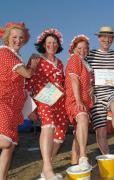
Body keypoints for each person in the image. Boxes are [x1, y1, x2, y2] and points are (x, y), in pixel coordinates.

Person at [25, 28, 69, 180]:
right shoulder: (36, 59)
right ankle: (49, 169)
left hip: (59, 100)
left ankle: (46, 169)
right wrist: (30, 108)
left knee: (60, 135)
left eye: (55, 43)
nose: (52, 45)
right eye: (49, 42)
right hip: (43, 99)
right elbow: (27, 83)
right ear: (43, 44)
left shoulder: (60, 62)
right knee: (48, 125)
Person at [0, 22, 38, 180]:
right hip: (3, 101)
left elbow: (23, 82)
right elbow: (27, 74)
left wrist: (30, 109)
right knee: (5, 142)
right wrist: (33, 65)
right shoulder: (5, 53)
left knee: (11, 146)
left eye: (21, 37)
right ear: (7, 38)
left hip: (15, 106)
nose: (18, 40)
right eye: (14, 37)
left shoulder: (16, 56)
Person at [87, 26, 114, 154]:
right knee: (101, 130)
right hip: (96, 95)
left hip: (113, 91)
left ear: (112, 39)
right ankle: (106, 157)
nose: (107, 40)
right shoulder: (90, 55)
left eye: (110, 38)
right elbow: (82, 69)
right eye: (104, 37)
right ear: (99, 38)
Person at [65, 35, 93, 170]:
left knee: (79, 129)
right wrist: (79, 100)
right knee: (82, 119)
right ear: (74, 49)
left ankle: (74, 160)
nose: (82, 50)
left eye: (85, 48)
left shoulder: (84, 62)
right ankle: (83, 156)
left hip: (84, 100)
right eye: (79, 48)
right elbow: (74, 80)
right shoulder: (74, 59)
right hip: (75, 99)